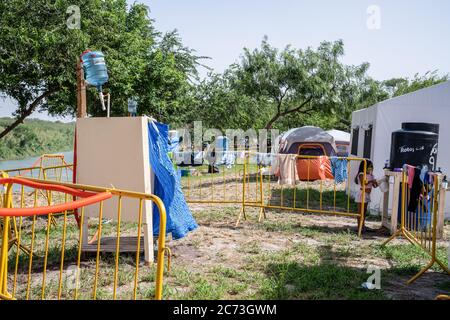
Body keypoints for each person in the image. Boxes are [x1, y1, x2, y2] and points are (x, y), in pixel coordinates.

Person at [354, 160, 378, 232]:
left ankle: (363, 225)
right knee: (360, 212)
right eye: (369, 166)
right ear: (364, 167)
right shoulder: (361, 174)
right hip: (362, 194)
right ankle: (359, 227)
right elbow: (363, 183)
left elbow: (375, 186)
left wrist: (378, 181)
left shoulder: (371, 175)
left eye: (371, 167)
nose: (370, 168)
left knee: (364, 211)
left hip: (367, 195)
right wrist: (371, 181)